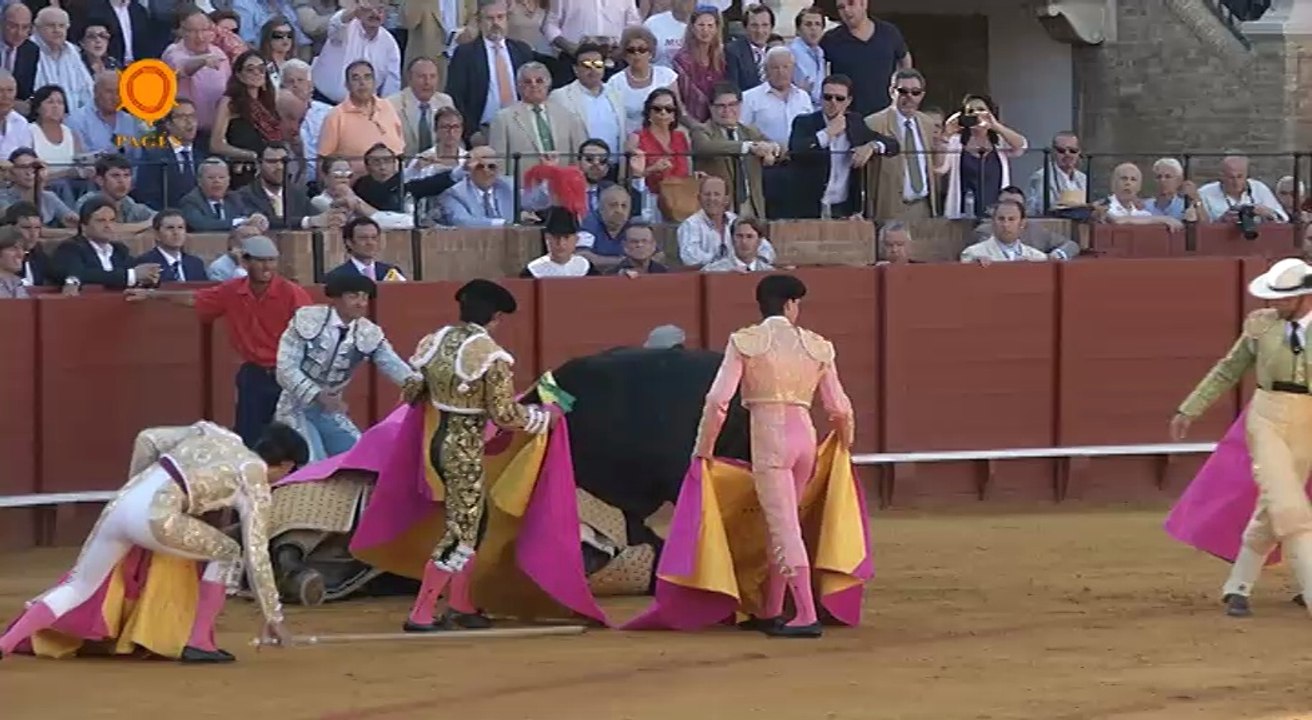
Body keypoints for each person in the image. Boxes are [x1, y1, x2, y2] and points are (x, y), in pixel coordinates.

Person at [0, 421, 308, 663]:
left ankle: (6, 642)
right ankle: (199, 642)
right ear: (285, 465)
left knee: (79, 586)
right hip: (158, 517)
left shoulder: (216, 434)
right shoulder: (254, 479)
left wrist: (137, 484)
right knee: (230, 552)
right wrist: (273, 615)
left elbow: (147, 438)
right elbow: (257, 554)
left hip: (121, 504)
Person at [690, 274, 855, 638]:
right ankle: (772, 608)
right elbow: (840, 408)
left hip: (770, 438)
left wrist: (705, 448)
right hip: (805, 439)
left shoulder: (746, 342)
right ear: (791, 305)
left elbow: (718, 401)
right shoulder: (816, 346)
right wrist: (844, 444)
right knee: (781, 522)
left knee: (783, 526)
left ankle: (806, 615)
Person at [403, 279, 554, 631]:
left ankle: (461, 603)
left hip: (437, 443)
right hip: (465, 451)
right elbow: (503, 414)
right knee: (463, 530)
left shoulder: (435, 342)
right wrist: (542, 418)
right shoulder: (490, 354)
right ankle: (421, 613)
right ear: (496, 316)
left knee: (474, 521)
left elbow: (411, 391)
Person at [1169, 258, 1312, 619]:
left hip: (1308, 420)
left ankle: (1239, 586)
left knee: (1274, 505)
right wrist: (1190, 409)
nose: (1275, 303)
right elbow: (1228, 370)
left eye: (1285, 297)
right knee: (1288, 503)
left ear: (1305, 297)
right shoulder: (1260, 327)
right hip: (1266, 415)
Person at [126, 235, 312, 449]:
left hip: (288, 374)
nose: (267, 266)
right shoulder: (232, 291)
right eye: (260, 260)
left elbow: (311, 334)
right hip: (255, 373)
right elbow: (194, 298)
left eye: (271, 260)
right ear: (245, 262)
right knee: (250, 435)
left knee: (291, 436)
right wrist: (151, 295)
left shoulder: (291, 293)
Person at [274, 273, 423, 463]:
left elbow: (393, 365)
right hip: (294, 408)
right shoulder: (308, 319)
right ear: (336, 298)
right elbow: (285, 368)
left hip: (329, 411)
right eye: (353, 296)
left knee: (363, 458)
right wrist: (317, 394)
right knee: (313, 462)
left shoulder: (367, 332)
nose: (361, 303)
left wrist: (421, 387)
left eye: (364, 297)